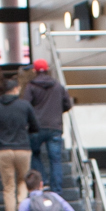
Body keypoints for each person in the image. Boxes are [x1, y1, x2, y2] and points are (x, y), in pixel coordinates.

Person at [0, 76, 39, 211]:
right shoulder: (25, 105)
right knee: (23, 183)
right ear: (15, 89)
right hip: (23, 149)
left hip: (4, 151)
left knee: (8, 187)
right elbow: (35, 126)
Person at [24, 58, 72, 193]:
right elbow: (67, 105)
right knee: (55, 159)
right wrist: (56, 112)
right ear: (47, 70)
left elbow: (25, 105)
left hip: (36, 127)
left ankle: (42, 182)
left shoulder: (31, 86)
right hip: (55, 127)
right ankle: (56, 189)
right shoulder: (58, 85)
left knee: (34, 154)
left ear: (34, 70)